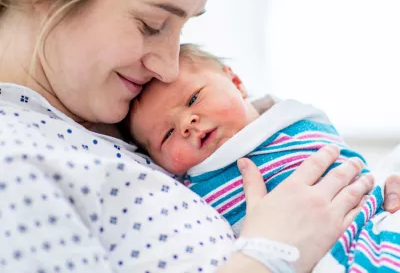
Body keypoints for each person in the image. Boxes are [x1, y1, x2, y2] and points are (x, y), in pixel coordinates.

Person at [0, 0, 399, 272]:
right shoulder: (16, 166)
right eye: (152, 24)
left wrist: (375, 203)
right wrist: (269, 256)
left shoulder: (105, 120)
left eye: (183, 28)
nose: (169, 66)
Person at [130, 43, 400, 271]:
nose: (187, 122)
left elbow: (347, 164)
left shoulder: (290, 119)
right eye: (166, 135)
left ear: (236, 82)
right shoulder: (191, 194)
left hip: (376, 218)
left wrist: (379, 185)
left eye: (193, 99)